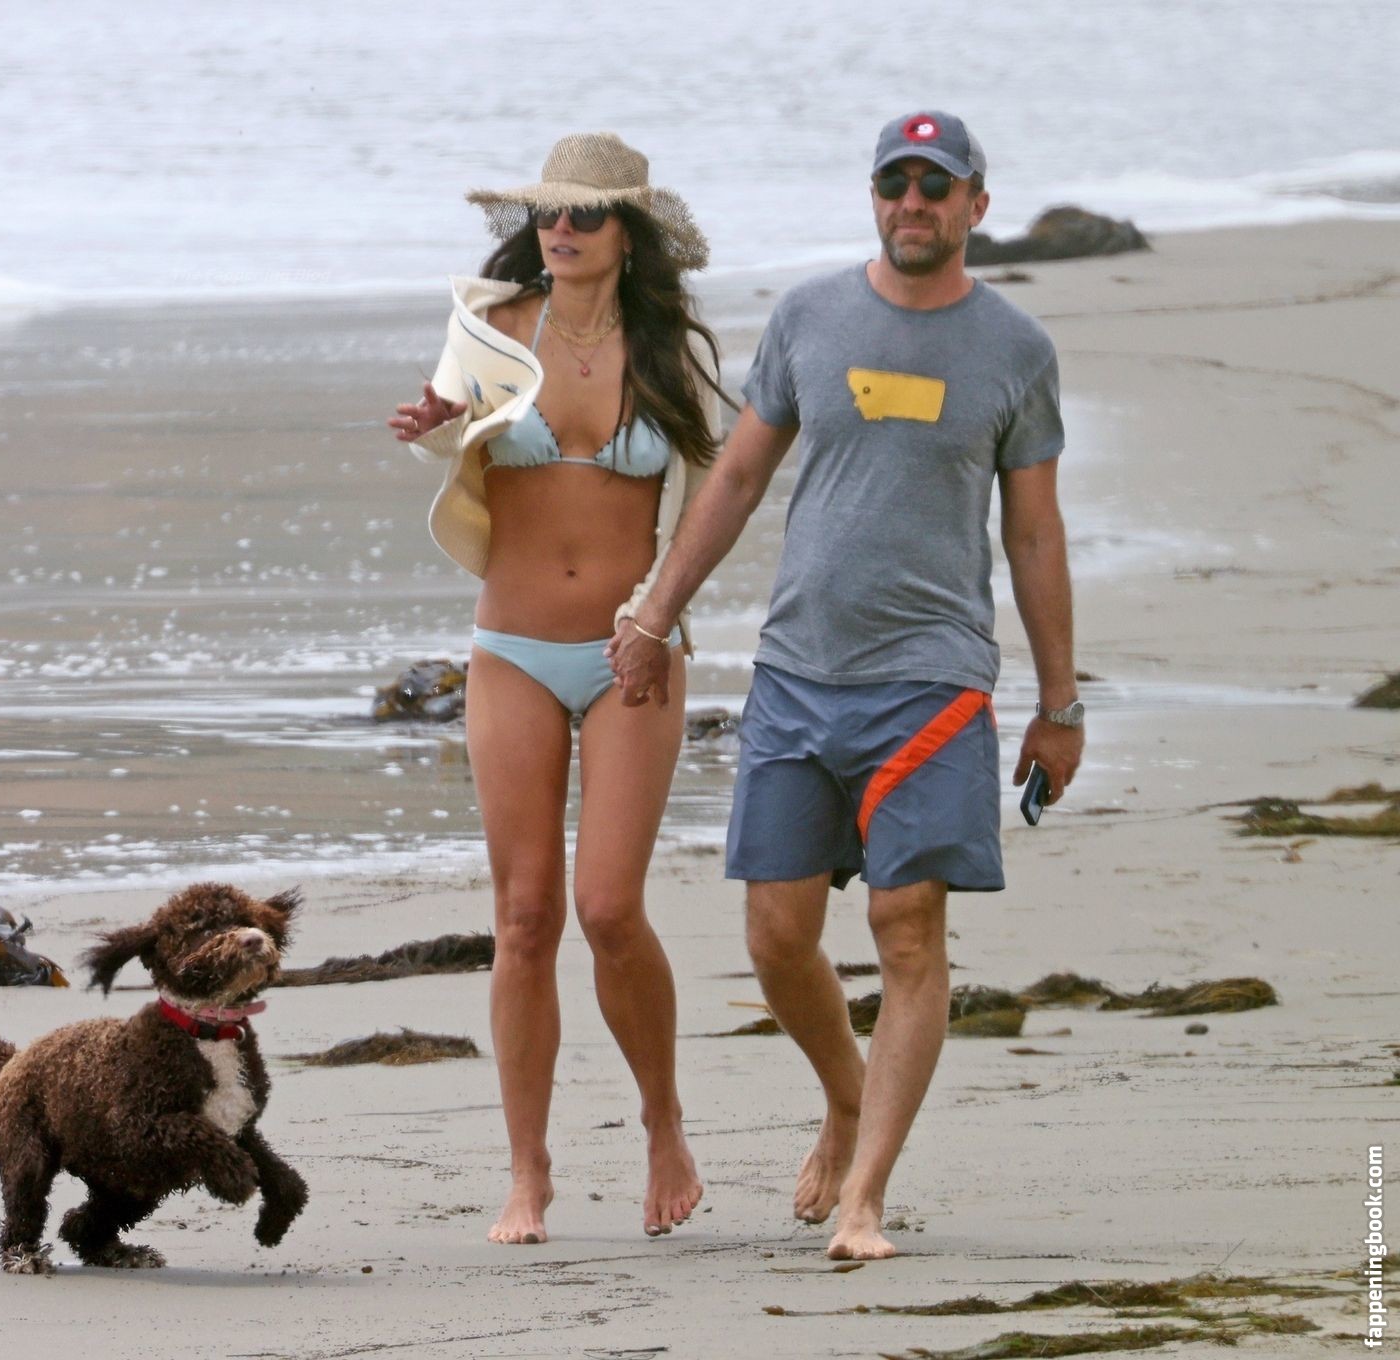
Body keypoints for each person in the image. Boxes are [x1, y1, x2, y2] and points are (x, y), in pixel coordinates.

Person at [606, 111, 1085, 1261]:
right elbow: (736, 477)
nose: (913, 202)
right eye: (894, 182)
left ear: (975, 204)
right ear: (875, 197)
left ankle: (866, 1195)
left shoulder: (1016, 349)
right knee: (777, 935)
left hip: (934, 682)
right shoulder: (810, 317)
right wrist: (655, 611)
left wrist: (1059, 705)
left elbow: (1033, 535)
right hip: (798, 674)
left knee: (906, 928)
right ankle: (847, 1091)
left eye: (936, 185)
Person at [389, 132, 729, 1244]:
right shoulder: (492, 328)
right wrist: (432, 430)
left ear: (629, 232)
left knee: (611, 909)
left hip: (634, 652)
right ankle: (527, 1170)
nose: (562, 230)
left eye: (585, 214)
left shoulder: (667, 349)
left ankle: (664, 1121)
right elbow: (447, 428)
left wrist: (659, 617)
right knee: (525, 917)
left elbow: (715, 497)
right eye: (549, 213)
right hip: (514, 650)